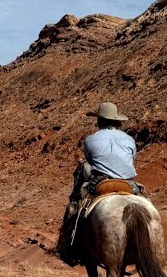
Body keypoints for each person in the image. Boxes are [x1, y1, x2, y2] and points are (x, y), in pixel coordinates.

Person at [55, 101, 143, 264]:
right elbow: (131, 160)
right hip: (127, 182)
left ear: (99, 121)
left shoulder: (91, 140)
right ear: (117, 121)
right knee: (145, 202)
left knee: (75, 207)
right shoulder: (129, 139)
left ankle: (69, 246)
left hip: (101, 181)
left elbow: (90, 162)